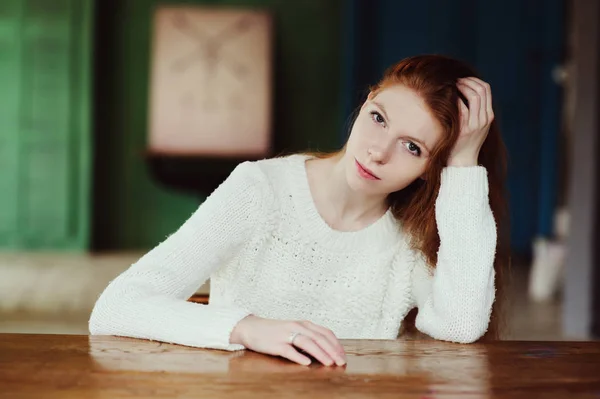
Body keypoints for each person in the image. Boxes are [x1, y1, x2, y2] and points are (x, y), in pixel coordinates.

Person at [89, 55, 509, 367]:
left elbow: (460, 325)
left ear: (428, 171)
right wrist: (248, 327)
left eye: (412, 147)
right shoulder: (261, 189)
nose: (378, 151)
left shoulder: (411, 235)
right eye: (378, 118)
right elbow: (117, 307)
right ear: (366, 103)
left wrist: (463, 165)